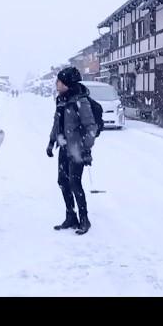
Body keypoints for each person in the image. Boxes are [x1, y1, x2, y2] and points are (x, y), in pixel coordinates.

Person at [46, 67, 97, 235]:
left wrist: (85, 149)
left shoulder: (80, 101)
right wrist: (51, 141)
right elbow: (57, 123)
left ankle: (84, 219)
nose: (56, 83)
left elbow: (91, 127)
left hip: (77, 149)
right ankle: (70, 216)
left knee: (75, 183)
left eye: (59, 81)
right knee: (62, 181)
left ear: (66, 84)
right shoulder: (61, 100)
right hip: (64, 147)